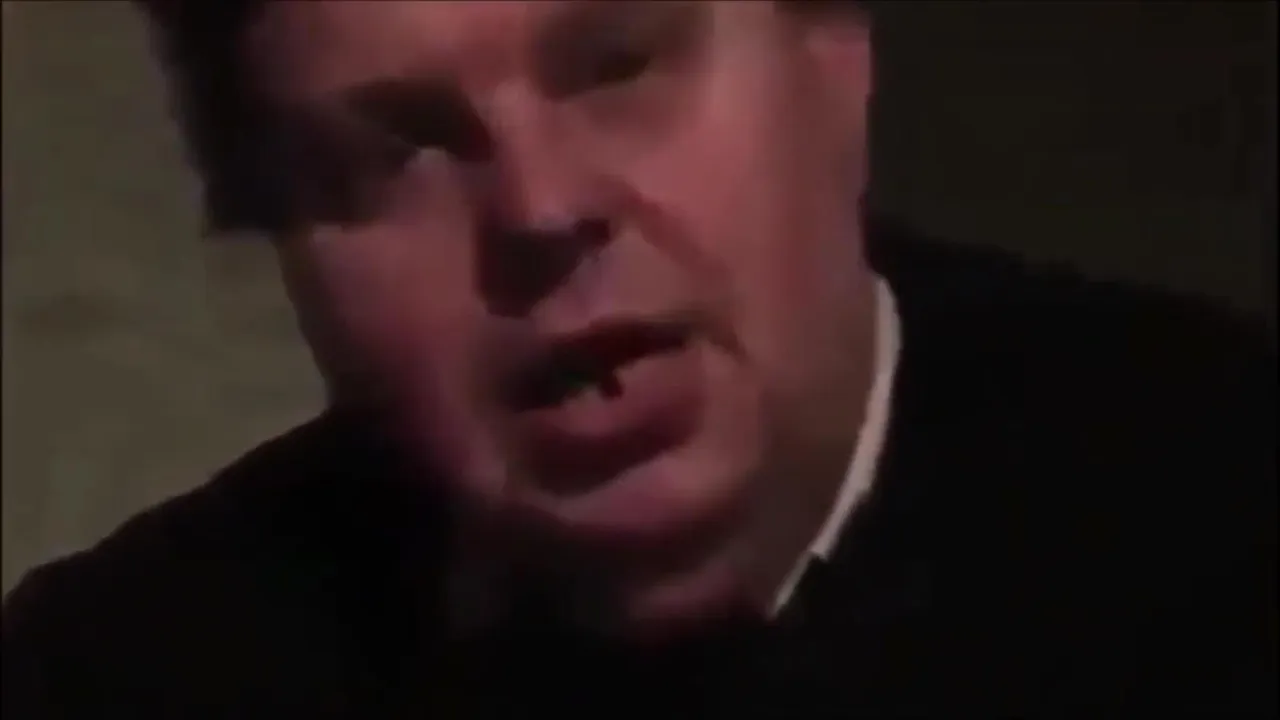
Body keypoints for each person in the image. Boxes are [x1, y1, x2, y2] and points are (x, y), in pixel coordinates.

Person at [3, 1, 1275, 716]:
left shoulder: (1233, 500)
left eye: (617, 66)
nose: (541, 209)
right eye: (395, 151)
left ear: (832, 55)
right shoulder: (105, 682)